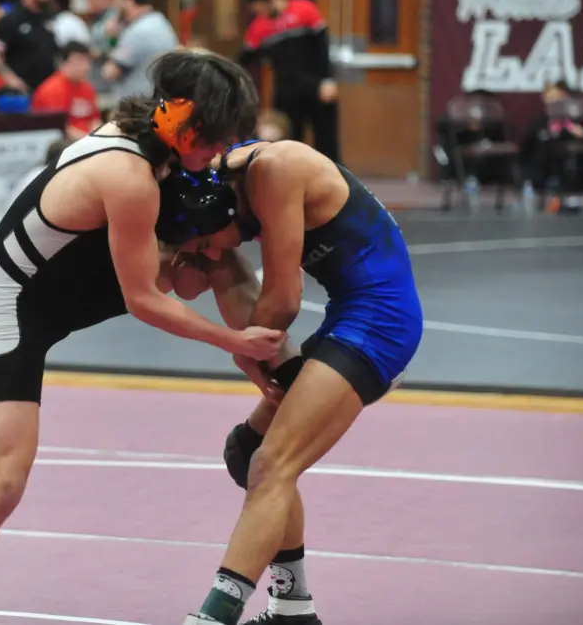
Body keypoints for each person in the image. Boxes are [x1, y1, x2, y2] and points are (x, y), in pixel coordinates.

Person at [0, 50, 285, 625]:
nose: (218, 152)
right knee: (5, 481)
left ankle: (278, 380)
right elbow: (144, 302)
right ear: (182, 122)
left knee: (217, 244)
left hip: (77, 275)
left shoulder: (155, 139)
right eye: (213, 140)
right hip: (14, 303)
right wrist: (232, 342)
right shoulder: (128, 175)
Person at [178, 139, 423, 625]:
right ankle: (292, 609)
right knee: (248, 453)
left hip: (381, 324)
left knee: (271, 464)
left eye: (209, 241)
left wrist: (244, 350)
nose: (216, 250)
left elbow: (284, 299)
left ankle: (213, 617)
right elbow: (190, 283)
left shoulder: (276, 169)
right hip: (347, 317)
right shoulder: (228, 186)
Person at [239, 0, 339, 163]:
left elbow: (323, 48)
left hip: (317, 85)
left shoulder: (305, 10)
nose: (258, 13)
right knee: (288, 144)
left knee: (327, 141)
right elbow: (245, 57)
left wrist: (328, 79)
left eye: (258, 7)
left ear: (270, 0)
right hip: (286, 90)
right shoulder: (259, 27)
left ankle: (334, 177)